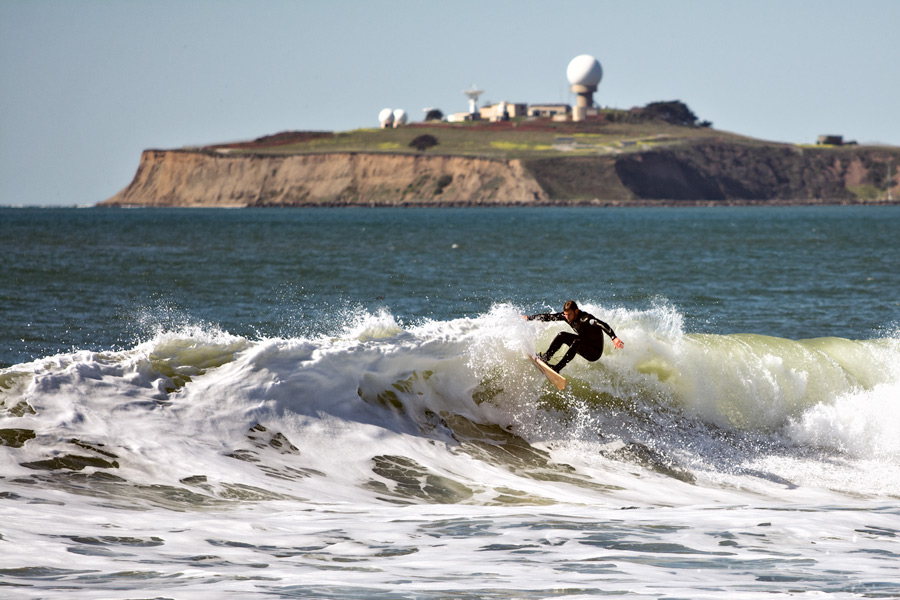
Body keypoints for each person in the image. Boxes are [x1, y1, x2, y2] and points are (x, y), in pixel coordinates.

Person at [524, 300, 624, 373]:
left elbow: (601, 324)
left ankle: (557, 368)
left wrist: (613, 337)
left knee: (577, 342)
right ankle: (546, 357)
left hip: (594, 352)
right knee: (562, 335)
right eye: (565, 315)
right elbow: (549, 317)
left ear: (576, 311)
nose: (567, 318)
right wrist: (529, 318)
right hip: (583, 343)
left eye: (569, 314)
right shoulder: (567, 317)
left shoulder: (586, 319)